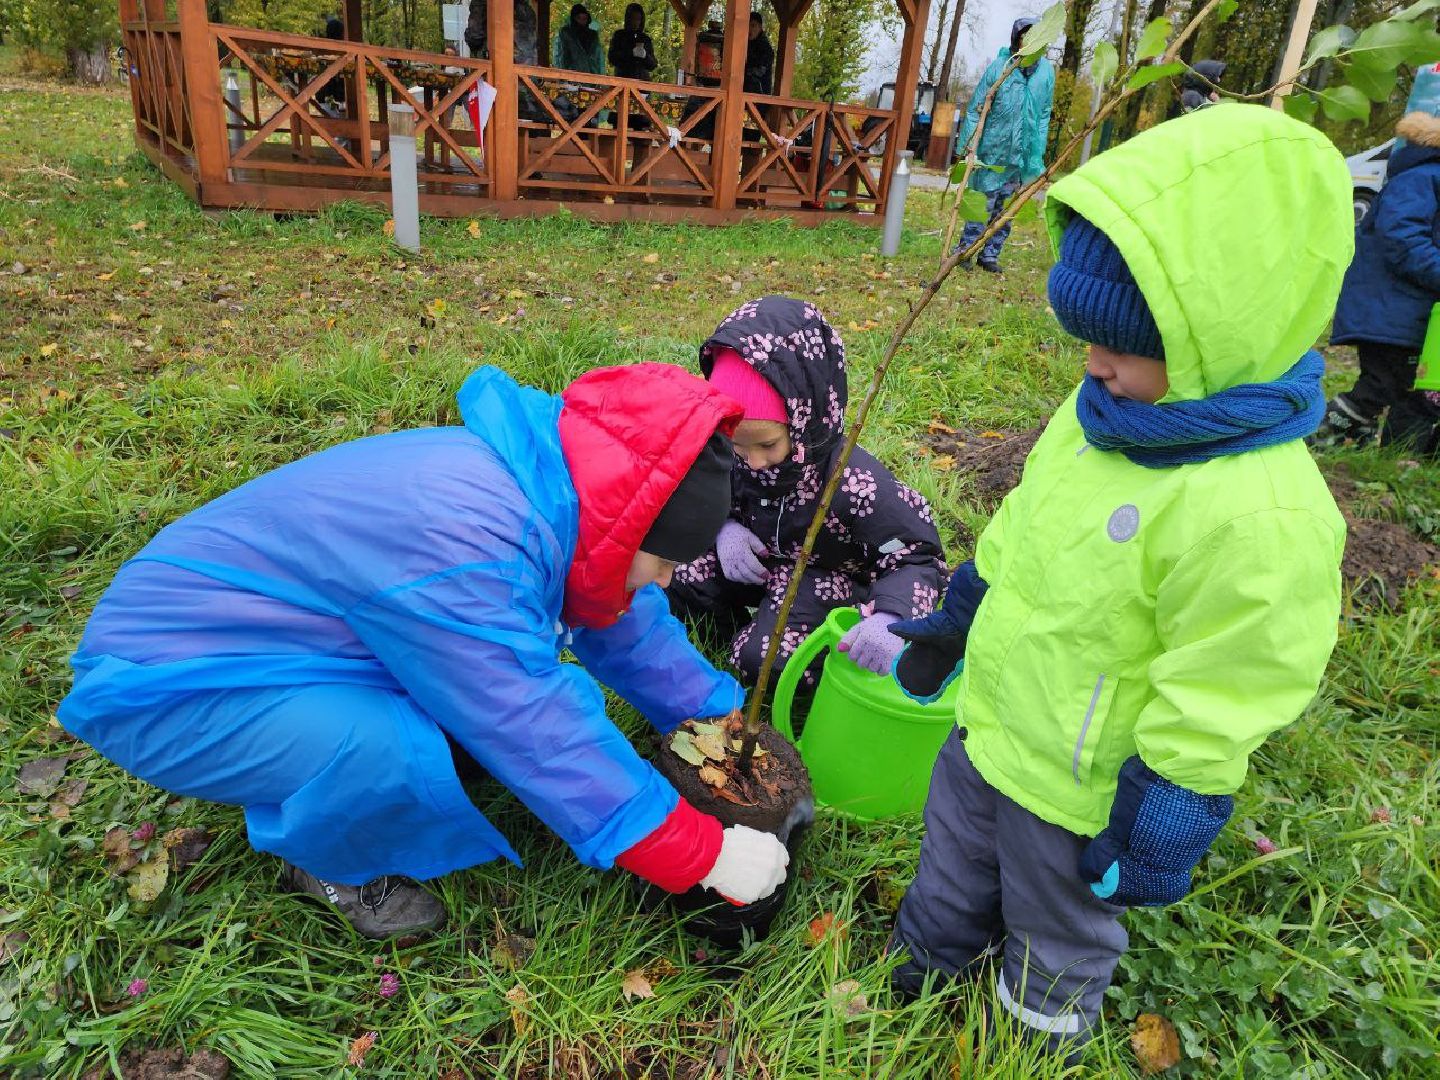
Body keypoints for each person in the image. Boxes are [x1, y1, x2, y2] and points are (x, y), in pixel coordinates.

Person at [887, 105, 1350, 1060]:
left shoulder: (1260, 511)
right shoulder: (1097, 412)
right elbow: (1028, 521)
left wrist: (1175, 797)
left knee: (1056, 923)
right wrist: (964, 611)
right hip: (994, 730)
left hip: (1084, 785)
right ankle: (925, 965)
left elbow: (1234, 670)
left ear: (1225, 331)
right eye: (1084, 337)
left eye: (1122, 346)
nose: (1091, 364)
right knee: (954, 862)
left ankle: (1031, 1038)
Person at [57, 363, 791, 939]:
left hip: (276, 635)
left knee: (446, 711)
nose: (665, 580)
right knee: (379, 747)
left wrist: (727, 719)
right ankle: (333, 864)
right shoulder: (470, 549)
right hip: (168, 683)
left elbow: (623, 618)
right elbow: (533, 729)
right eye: (662, 561)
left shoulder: (561, 490)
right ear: (629, 527)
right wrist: (701, 854)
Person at [667, 297, 946, 689]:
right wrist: (723, 528)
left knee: (764, 662)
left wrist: (891, 617)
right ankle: (718, 645)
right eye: (737, 445)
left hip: (824, 576)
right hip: (759, 559)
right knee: (675, 575)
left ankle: (773, 662)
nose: (753, 461)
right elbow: (703, 497)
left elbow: (918, 557)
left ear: (803, 420)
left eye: (767, 445)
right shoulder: (732, 451)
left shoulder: (855, 485)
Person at [1318, 110, 1440, 455]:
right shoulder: (1423, 177)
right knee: (1386, 385)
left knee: (1419, 390)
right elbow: (1402, 239)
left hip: (1415, 312)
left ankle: (1392, 456)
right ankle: (1319, 439)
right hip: (1393, 310)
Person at [951, 17, 1055, 273]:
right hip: (992, 150)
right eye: (1025, 37)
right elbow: (977, 109)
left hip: (1020, 156)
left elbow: (1044, 113)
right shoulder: (1001, 68)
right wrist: (967, 147)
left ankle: (990, 255)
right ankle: (966, 250)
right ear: (1016, 40)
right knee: (982, 204)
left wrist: (1036, 151)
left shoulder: (1046, 74)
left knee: (1005, 209)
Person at [609, 3, 657, 81]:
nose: (635, 22)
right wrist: (630, 53)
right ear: (628, 19)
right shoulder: (619, 36)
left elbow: (653, 65)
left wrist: (645, 55)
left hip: (642, 83)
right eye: (633, 19)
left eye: (638, 19)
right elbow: (612, 58)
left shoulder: (645, 39)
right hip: (623, 81)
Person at [555, 3, 606, 76]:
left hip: (591, 77)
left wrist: (601, 77)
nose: (582, 21)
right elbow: (559, 56)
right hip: (570, 77)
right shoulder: (565, 33)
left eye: (584, 18)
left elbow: (599, 58)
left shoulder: (592, 35)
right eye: (579, 18)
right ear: (573, 18)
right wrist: (561, 75)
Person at [744, 11, 774, 96]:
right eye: (747, 25)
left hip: (760, 95)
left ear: (760, 27)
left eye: (753, 25)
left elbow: (760, 72)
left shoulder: (765, 48)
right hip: (745, 94)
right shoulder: (744, 45)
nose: (750, 29)